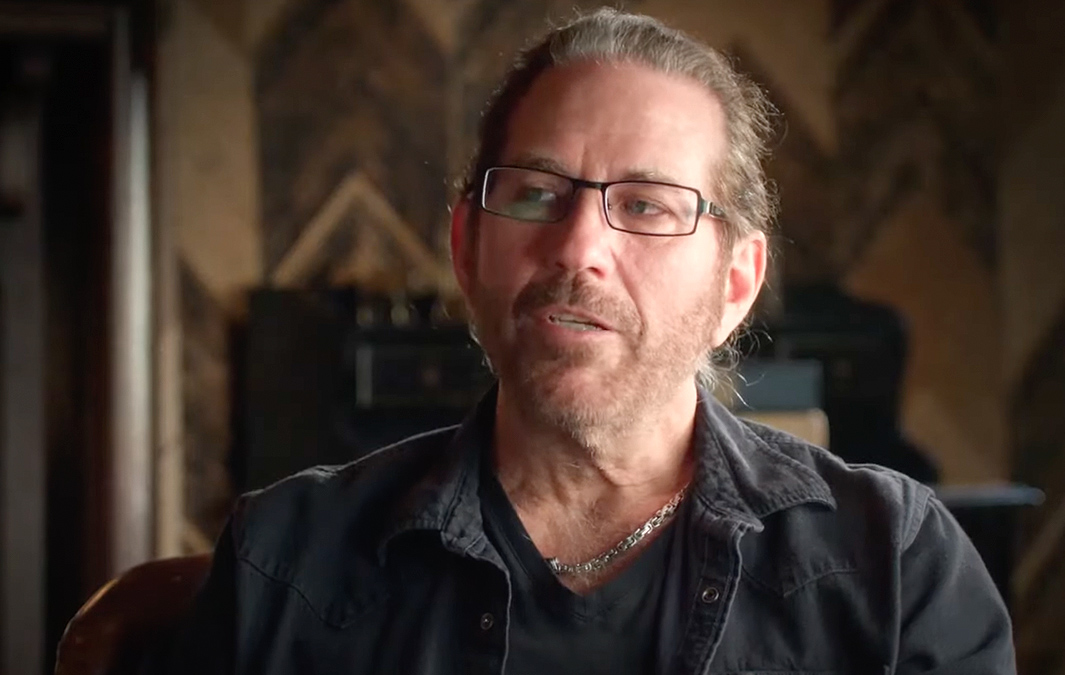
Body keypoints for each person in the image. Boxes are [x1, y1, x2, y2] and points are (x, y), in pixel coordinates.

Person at [145, 8, 1015, 674]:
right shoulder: (284, 560)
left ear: (735, 284)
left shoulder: (896, 567)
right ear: (467, 246)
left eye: (646, 205)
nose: (577, 247)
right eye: (535, 193)